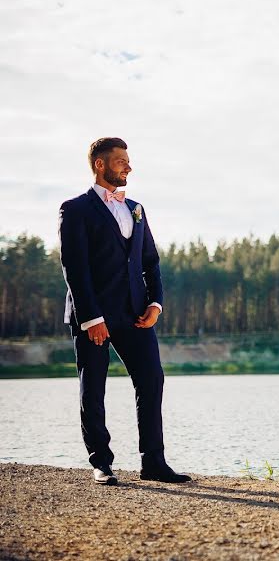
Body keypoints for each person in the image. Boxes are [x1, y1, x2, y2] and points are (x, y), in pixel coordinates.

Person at [58, 137, 190, 485]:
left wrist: (155, 303)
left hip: (136, 314)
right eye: (120, 161)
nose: (128, 167)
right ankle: (101, 463)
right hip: (94, 316)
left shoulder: (136, 208)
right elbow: (74, 267)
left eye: (128, 161)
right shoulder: (75, 209)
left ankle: (154, 463)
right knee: (93, 388)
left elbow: (150, 261)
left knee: (151, 380)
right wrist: (91, 317)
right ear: (100, 165)